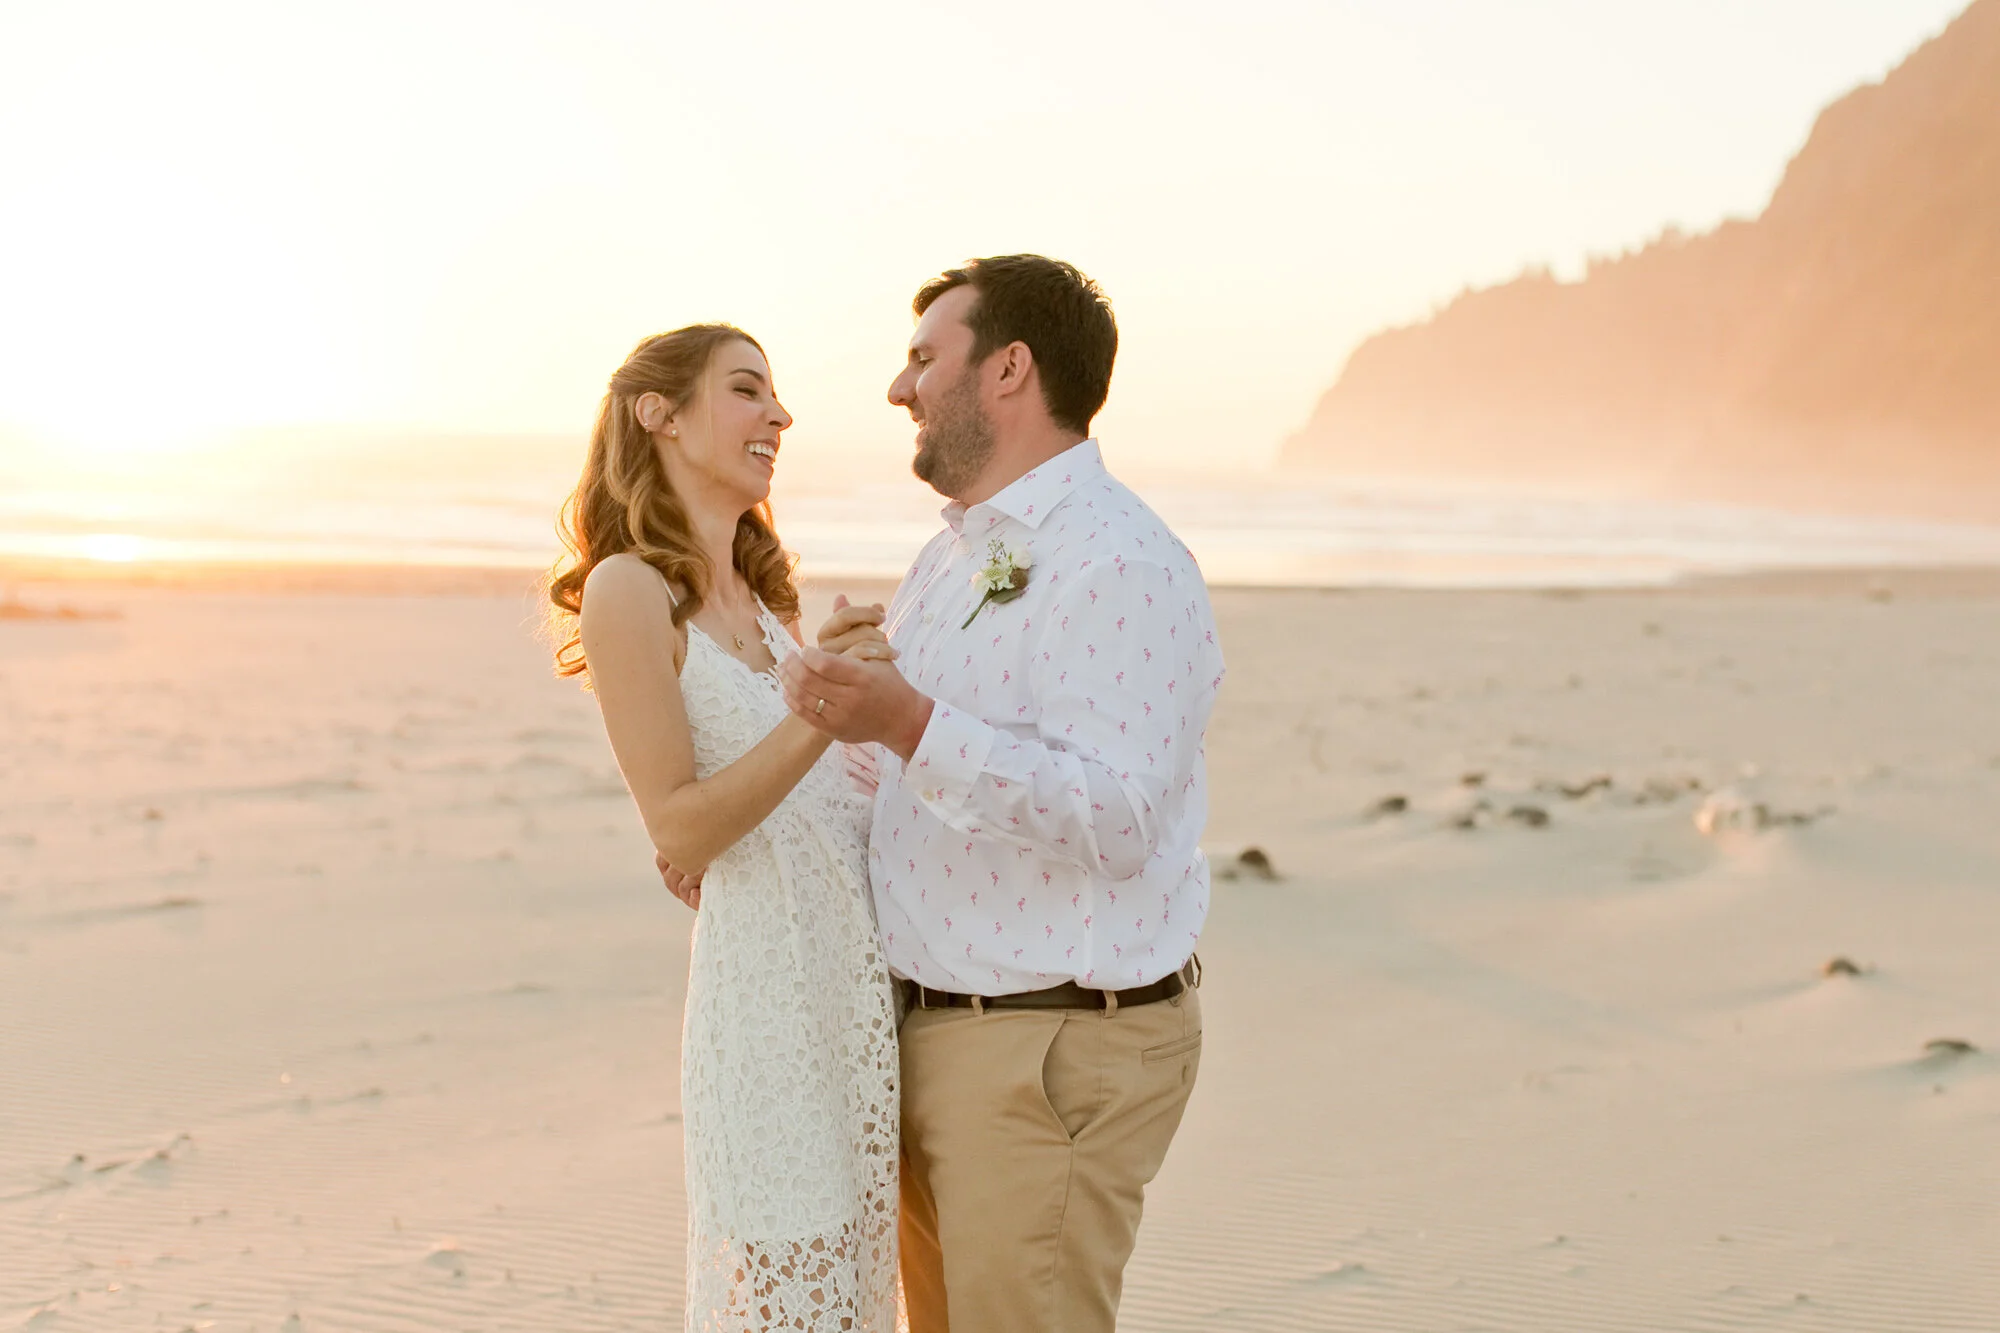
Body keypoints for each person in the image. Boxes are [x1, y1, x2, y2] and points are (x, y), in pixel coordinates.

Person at [669, 256, 1225, 1332]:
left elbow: (1116, 818)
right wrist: (763, 828)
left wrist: (907, 719)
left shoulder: (1121, 562)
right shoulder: (953, 557)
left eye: (924, 358)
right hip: (929, 1036)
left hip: (1048, 1049)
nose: (897, 386)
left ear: (1008, 369)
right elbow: (893, 777)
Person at [548, 324, 901, 1332]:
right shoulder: (629, 590)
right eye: (746, 391)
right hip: (767, 1020)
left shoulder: (765, 599)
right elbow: (680, 826)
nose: (778, 416)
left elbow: (819, 799)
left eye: (775, 397)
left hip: (855, 1011)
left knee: (860, 1307)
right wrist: (820, 709)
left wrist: (859, 689)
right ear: (658, 415)